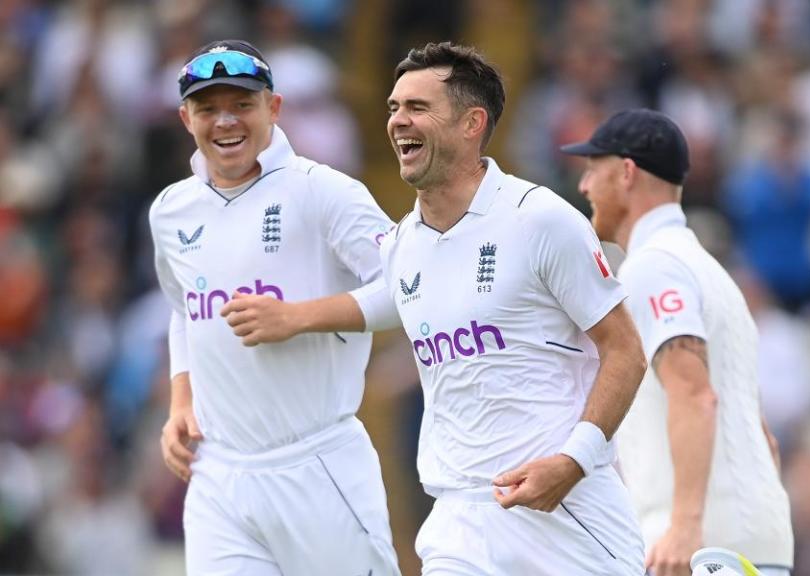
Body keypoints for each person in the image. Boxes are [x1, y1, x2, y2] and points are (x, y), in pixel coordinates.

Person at [221, 41, 649, 575]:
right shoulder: (402, 245)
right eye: (394, 108)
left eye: (417, 108)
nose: (398, 121)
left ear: (472, 123)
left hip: (566, 511)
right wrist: (295, 318)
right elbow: (388, 302)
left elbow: (626, 350)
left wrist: (573, 461)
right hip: (459, 522)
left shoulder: (539, 218)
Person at [148, 39, 400, 576]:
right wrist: (181, 401)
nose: (225, 122)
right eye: (208, 108)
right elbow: (184, 310)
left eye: (241, 104)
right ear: (185, 117)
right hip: (219, 475)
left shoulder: (323, 191)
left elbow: (410, 288)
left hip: (318, 464)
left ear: (273, 108)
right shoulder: (171, 210)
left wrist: (297, 318)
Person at [561, 109, 794, 576]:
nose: (584, 187)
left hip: (706, 548)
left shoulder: (654, 267)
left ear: (626, 172)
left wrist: (686, 526)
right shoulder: (711, 272)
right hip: (746, 538)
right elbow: (762, 437)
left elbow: (694, 395)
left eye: (593, 169)